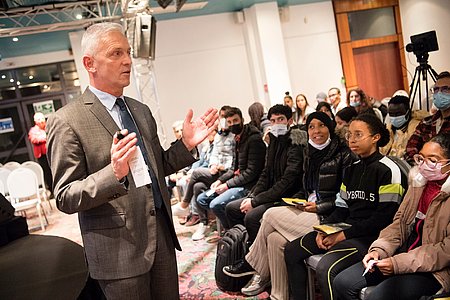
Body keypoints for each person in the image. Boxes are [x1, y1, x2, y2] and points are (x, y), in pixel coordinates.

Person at [46, 22, 218, 300]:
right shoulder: (66, 120)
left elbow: (155, 167)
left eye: (127, 52)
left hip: (160, 237)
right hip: (118, 251)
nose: (127, 60)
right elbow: (66, 196)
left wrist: (186, 144)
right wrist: (113, 173)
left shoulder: (140, 110)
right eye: (116, 53)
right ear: (90, 63)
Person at [223, 112, 355, 299]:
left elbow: (344, 200)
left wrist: (318, 206)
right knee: (275, 240)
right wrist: (299, 201)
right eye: (311, 127)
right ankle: (279, 295)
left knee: (268, 215)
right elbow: (303, 187)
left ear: (330, 128)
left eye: (321, 125)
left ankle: (251, 264)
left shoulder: (343, 155)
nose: (316, 131)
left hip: (328, 216)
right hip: (309, 208)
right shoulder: (309, 151)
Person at [284, 113, 407, 300]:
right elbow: (341, 209)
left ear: (375, 138)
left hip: (371, 237)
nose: (351, 140)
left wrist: (342, 235)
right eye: (349, 135)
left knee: (326, 267)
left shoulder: (388, 169)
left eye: (358, 135)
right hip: (348, 229)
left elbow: (385, 218)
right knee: (292, 250)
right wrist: (323, 230)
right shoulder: (351, 169)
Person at [334, 132, 450, 300]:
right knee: (343, 282)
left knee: (379, 296)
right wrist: (379, 250)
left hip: (435, 270)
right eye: (421, 159)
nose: (425, 165)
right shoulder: (419, 183)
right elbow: (399, 223)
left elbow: (445, 251)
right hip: (401, 255)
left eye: (433, 160)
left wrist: (397, 264)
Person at [225, 104, 304, 244]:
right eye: (273, 121)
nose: (276, 123)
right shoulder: (273, 140)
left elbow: (288, 181)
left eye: (281, 119)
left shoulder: (296, 143)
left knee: (252, 217)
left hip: (288, 196)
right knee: (232, 208)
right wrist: (252, 197)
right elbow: (265, 173)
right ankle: (245, 248)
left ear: (290, 121)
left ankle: (258, 256)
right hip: (271, 193)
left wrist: (255, 201)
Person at [196, 107, 266, 231]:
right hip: (237, 181)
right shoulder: (237, 139)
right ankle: (232, 227)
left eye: (235, 120)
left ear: (242, 119)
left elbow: (251, 173)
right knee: (202, 199)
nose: (232, 124)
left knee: (215, 204)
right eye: (229, 122)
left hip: (249, 185)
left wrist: (227, 185)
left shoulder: (253, 139)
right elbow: (233, 168)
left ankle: (235, 232)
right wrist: (220, 181)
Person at [405, 71, 450, 165]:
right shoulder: (426, 122)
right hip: (423, 171)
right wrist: (423, 165)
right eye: (436, 89)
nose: (439, 93)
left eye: (445, 89)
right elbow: (410, 149)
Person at [380, 94, 428, 158]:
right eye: (391, 114)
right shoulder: (388, 129)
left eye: (398, 113)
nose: (394, 117)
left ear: (408, 112)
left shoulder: (417, 127)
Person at [28, 112, 52, 192]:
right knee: (46, 172)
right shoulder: (33, 130)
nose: (41, 121)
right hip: (42, 156)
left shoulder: (49, 127)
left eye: (42, 118)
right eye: (39, 119)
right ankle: (51, 189)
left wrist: (43, 136)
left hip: (52, 153)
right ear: (35, 121)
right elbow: (34, 139)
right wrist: (45, 137)